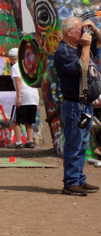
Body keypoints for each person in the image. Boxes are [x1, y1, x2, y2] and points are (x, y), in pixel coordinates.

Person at [54, 16, 101, 196]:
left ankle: (79, 179)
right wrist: (87, 46)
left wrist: (94, 29)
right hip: (74, 105)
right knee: (74, 143)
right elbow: (80, 68)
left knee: (82, 144)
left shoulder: (79, 47)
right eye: (81, 30)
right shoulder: (63, 51)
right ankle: (71, 182)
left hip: (85, 104)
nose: (84, 33)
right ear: (69, 32)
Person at [7, 47, 40, 149]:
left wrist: (18, 97)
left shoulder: (15, 67)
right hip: (34, 95)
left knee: (15, 119)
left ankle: (18, 142)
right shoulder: (29, 65)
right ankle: (30, 141)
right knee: (28, 120)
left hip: (24, 94)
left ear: (12, 58)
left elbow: (18, 80)